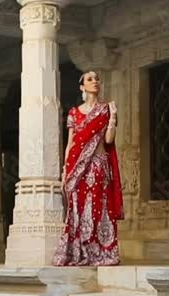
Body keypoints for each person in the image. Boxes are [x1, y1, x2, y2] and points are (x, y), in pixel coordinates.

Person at [52, 70, 123, 266]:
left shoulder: (105, 110)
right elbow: (71, 144)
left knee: (100, 209)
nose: (95, 82)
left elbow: (108, 140)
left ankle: (101, 252)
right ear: (82, 87)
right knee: (79, 208)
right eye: (90, 80)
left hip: (99, 165)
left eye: (97, 79)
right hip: (77, 168)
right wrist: (66, 171)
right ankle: (79, 251)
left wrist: (113, 118)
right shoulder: (74, 113)